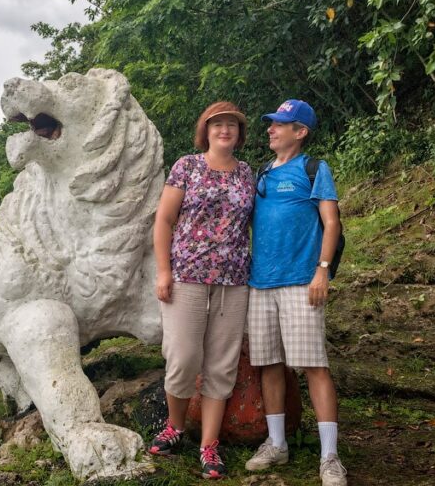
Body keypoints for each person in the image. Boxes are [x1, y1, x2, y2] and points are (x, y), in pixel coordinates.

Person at [149, 101, 255, 479]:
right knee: (182, 358)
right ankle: (176, 427)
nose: (224, 130)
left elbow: (259, 224)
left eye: (232, 125)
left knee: (222, 367)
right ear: (206, 131)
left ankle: (209, 446)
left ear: (240, 134)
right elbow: (164, 219)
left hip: (233, 282)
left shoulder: (248, 175)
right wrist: (164, 271)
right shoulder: (187, 166)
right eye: (217, 124)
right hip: (188, 277)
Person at [244, 99, 347, 486]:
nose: (271, 129)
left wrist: (322, 272)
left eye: (280, 124)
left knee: (314, 366)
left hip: (302, 282)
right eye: (271, 123)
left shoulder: (314, 169)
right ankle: (276, 443)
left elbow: (331, 222)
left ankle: (330, 456)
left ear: (300, 132)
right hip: (260, 284)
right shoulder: (261, 174)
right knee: (269, 364)